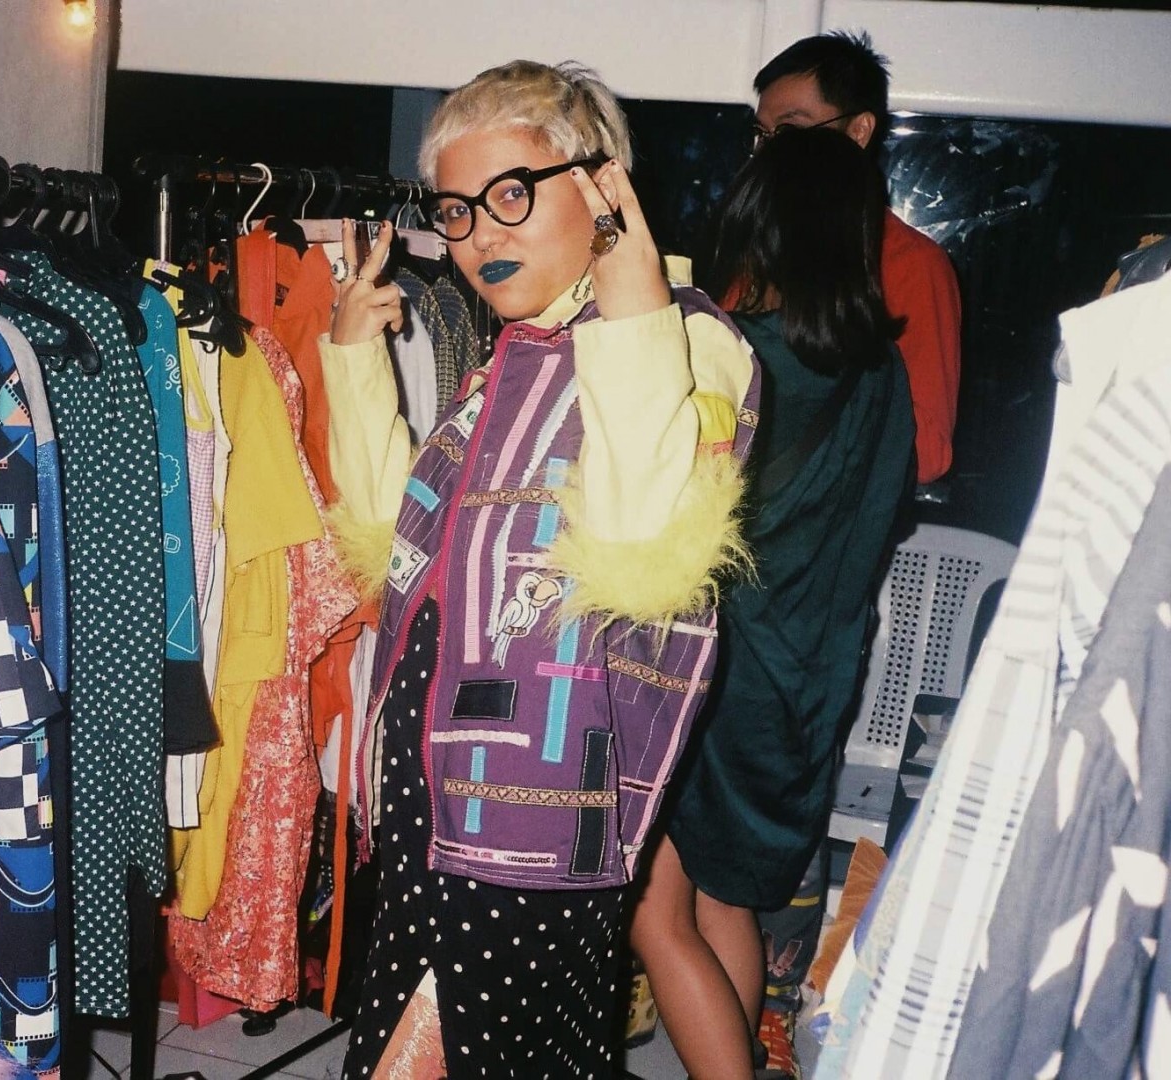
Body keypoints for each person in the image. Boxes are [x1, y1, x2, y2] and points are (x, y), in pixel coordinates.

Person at [317, 59, 759, 1078]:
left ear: (601, 188)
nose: (480, 236)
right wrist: (353, 361)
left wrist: (634, 306)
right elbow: (393, 544)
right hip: (429, 777)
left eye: (510, 194)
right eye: (457, 211)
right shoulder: (508, 358)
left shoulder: (690, 337)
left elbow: (641, 550)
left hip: (541, 799)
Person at [631, 126, 916, 1079]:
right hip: (813, 681)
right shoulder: (881, 372)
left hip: (718, 676)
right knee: (725, 902)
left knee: (654, 912)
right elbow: (882, 516)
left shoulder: (727, 352)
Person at [753, 30, 960, 488]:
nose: (771, 153)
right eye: (763, 135)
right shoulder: (751, 247)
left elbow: (927, 450)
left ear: (859, 131)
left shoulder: (912, 264)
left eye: (790, 131)